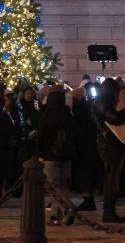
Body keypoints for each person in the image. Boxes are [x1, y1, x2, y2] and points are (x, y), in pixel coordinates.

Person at [34, 88, 75, 225]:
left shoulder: (46, 115)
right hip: (66, 155)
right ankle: (55, 216)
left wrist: (39, 154)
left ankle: (68, 208)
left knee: (53, 186)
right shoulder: (68, 115)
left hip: (50, 155)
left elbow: (41, 137)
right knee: (62, 186)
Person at [92, 78, 125, 223]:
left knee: (112, 178)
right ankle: (109, 212)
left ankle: (110, 211)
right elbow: (114, 118)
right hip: (110, 144)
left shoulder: (101, 101)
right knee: (112, 179)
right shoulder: (103, 102)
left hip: (109, 143)